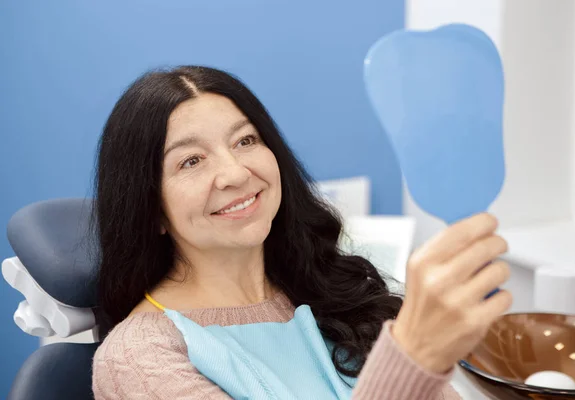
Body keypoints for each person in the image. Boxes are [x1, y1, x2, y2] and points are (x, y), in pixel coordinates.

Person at [91, 65, 512, 399]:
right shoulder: (139, 358)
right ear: (151, 210)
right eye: (191, 161)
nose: (235, 172)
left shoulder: (333, 293)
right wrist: (412, 356)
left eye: (245, 141)